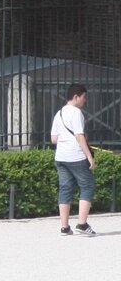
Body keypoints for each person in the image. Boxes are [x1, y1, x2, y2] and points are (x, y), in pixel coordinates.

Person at [52, 83, 97, 236]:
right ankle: (82, 224)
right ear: (76, 97)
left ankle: (64, 227)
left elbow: (53, 139)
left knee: (65, 188)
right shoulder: (76, 113)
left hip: (61, 157)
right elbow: (79, 136)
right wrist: (89, 156)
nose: (85, 100)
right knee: (87, 186)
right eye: (84, 97)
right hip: (76, 157)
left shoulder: (59, 113)